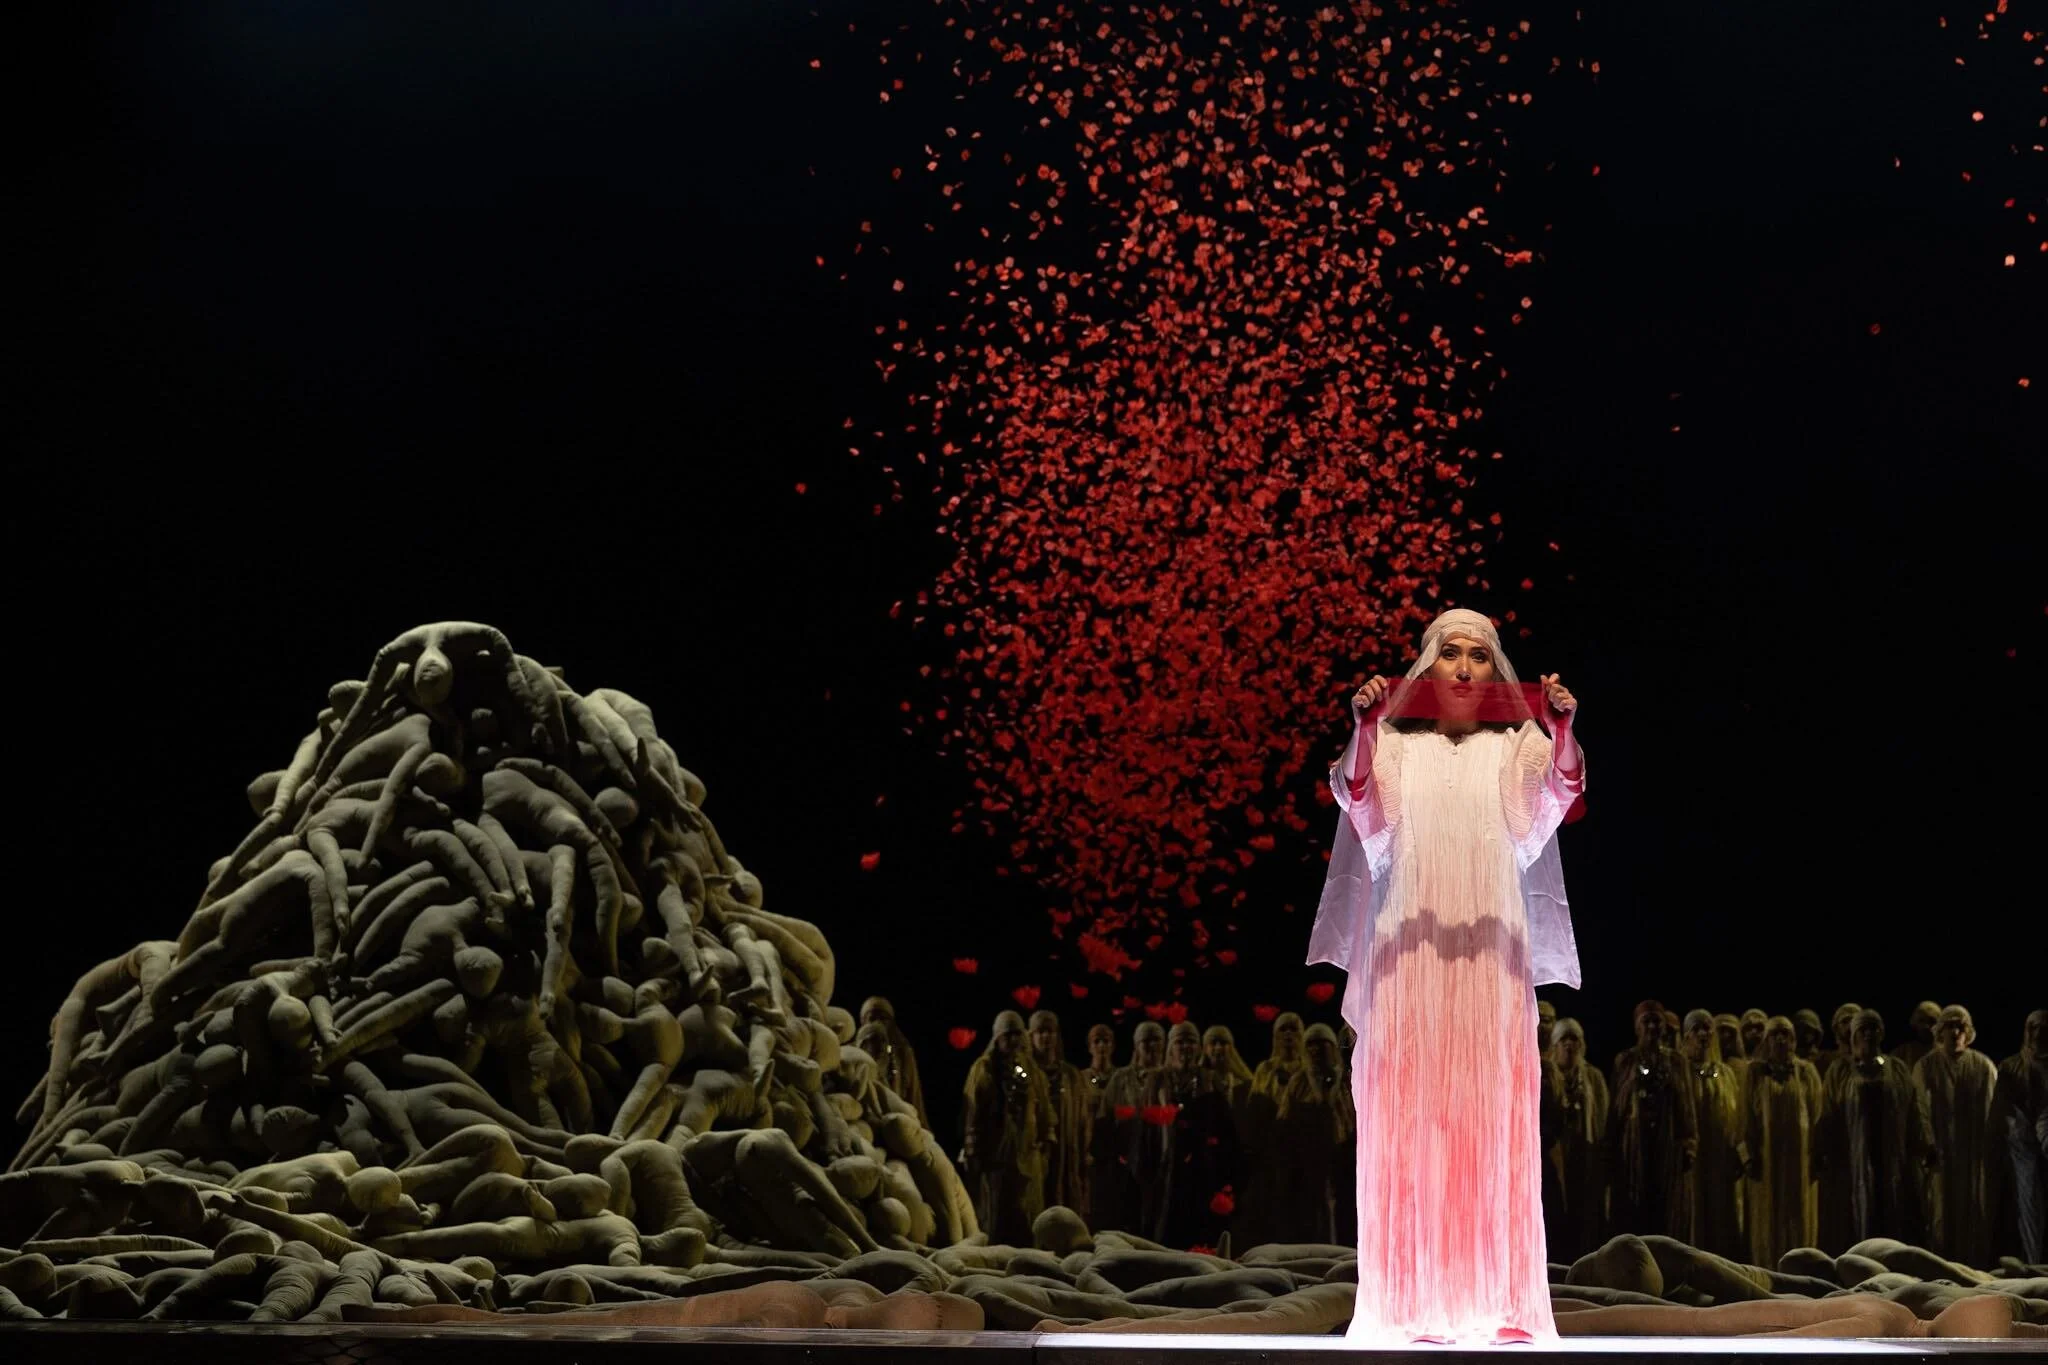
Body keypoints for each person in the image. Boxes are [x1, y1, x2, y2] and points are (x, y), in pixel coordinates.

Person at [1310, 607, 1584, 1343]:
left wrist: (1561, 730)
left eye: (1479, 655)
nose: (1464, 667)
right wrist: (1364, 728)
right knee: (1412, 1127)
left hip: (1490, 960)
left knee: (1489, 1125)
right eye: (1451, 653)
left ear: (1495, 669)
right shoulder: (1396, 745)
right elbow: (1362, 808)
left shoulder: (1515, 745)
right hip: (1410, 963)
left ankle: (1498, 1303)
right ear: (1428, 663)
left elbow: (1550, 805)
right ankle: (1410, 1305)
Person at [1817, 1008, 1933, 1251]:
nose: (1868, 1034)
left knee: (1893, 1210)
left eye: (1873, 1028)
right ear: (1854, 1035)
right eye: (1863, 1029)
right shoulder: (1840, 1071)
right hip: (1854, 1158)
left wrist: (1924, 1143)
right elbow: (1828, 1113)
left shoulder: (1897, 1068)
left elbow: (1914, 1108)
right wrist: (1824, 1150)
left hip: (1892, 1155)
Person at [1915, 1004, 2001, 1267]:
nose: (1955, 1032)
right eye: (1949, 1026)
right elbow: (1920, 1110)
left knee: (1974, 1209)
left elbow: (1993, 1113)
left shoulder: (1983, 1066)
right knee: (1941, 1211)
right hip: (1940, 1155)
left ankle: (1974, 1267)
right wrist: (1928, 1144)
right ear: (1940, 1031)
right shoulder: (1926, 1066)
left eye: (1960, 1026)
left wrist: (1990, 1152)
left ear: (1968, 1031)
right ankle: (1941, 1267)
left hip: (1973, 1156)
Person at [1142, 1020, 1239, 1249]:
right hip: (1165, 1168)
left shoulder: (1209, 1080)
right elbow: (1146, 1130)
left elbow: (1224, 1129)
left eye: (1191, 1042)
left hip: (1202, 1170)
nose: (1185, 1047)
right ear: (1171, 1046)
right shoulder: (1157, 1080)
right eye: (1180, 1041)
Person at [960, 1010, 1054, 1246]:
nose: (1013, 1040)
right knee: (996, 1221)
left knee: (1027, 1220)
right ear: (998, 1037)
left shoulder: (1031, 1070)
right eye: (1008, 1035)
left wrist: (1045, 1142)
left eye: (1017, 1034)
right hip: (996, 1161)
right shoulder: (983, 1069)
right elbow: (972, 1115)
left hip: (1027, 1159)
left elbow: (1044, 1109)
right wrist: (973, 1152)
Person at [1610, 1000, 1698, 1239]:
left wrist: (1689, 1143)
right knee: (1634, 1209)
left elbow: (1686, 1106)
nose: (1651, 1026)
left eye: (1656, 1021)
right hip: (1633, 1146)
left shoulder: (1677, 1062)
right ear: (1637, 1027)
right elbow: (1616, 1107)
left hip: (1667, 1145)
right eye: (1646, 1021)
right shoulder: (1625, 1060)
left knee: (1666, 1211)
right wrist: (1611, 1148)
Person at [1745, 1015, 1818, 1265]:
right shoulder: (1755, 1073)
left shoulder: (1806, 1072)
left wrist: (1817, 1155)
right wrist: (1748, 1155)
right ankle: (1767, 1267)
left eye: (1785, 1034)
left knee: (1798, 1214)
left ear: (1793, 1040)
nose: (1780, 1039)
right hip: (1766, 1159)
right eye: (1774, 1034)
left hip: (1799, 1160)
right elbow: (1745, 1117)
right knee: (1767, 1215)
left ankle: (1801, 1267)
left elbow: (1817, 1114)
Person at [1543, 1017, 1610, 1261]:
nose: (1569, 1045)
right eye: (1564, 1039)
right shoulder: (1547, 1077)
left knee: (1585, 1219)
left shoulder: (1593, 1078)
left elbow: (1603, 1120)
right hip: (1556, 1160)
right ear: (1555, 1045)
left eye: (1574, 1039)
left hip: (1586, 1158)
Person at [1680, 1009, 1745, 1259]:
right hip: (1693, 1159)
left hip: (1720, 1156)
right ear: (1687, 1036)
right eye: (1696, 1029)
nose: (1703, 1034)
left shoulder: (1726, 1074)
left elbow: (1736, 1116)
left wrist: (1737, 1152)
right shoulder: (1681, 1071)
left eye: (1707, 1028)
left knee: (1721, 1213)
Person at [1994, 1009, 2047, 1263]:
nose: (2039, 1033)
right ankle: (2034, 1263)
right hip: (2023, 1149)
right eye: (2034, 1028)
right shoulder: (2011, 1066)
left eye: (2044, 1028)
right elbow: (2004, 1110)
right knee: (2029, 1209)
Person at [1028, 1010, 1091, 1217]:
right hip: (1036, 1151)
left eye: (1050, 1031)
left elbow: (1083, 1118)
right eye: (1040, 1031)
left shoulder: (1071, 1075)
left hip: (1066, 1151)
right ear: (1032, 1036)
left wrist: (1084, 1150)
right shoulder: (1026, 1074)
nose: (1046, 1036)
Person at [854, 995, 928, 1130]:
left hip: (896, 1121)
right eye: (872, 1018)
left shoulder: (903, 1053)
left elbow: (914, 1094)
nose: (878, 1023)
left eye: (883, 1019)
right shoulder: (853, 1053)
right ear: (863, 1022)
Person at [1080, 1023, 1122, 1235]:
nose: (1102, 1046)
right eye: (1097, 1041)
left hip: (1115, 1152)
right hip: (1090, 1152)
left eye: (1106, 1041)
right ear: (1090, 1046)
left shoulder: (1121, 1077)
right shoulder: (1081, 1078)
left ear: (1113, 1045)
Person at [1200, 1024, 1256, 1109]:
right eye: (1213, 1043)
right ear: (1205, 1049)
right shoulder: (1197, 1082)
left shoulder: (1243, 1085)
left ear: (1231, 1048)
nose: (1218, 1047)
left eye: (1223, 1043)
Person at [1892, 1001, 1943, 1071]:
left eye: (1931, 1021)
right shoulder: (1902, 1052)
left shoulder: (1946, 1052)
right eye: (1921, 1021)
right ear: (1914, 1023)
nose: (1926, 1026)